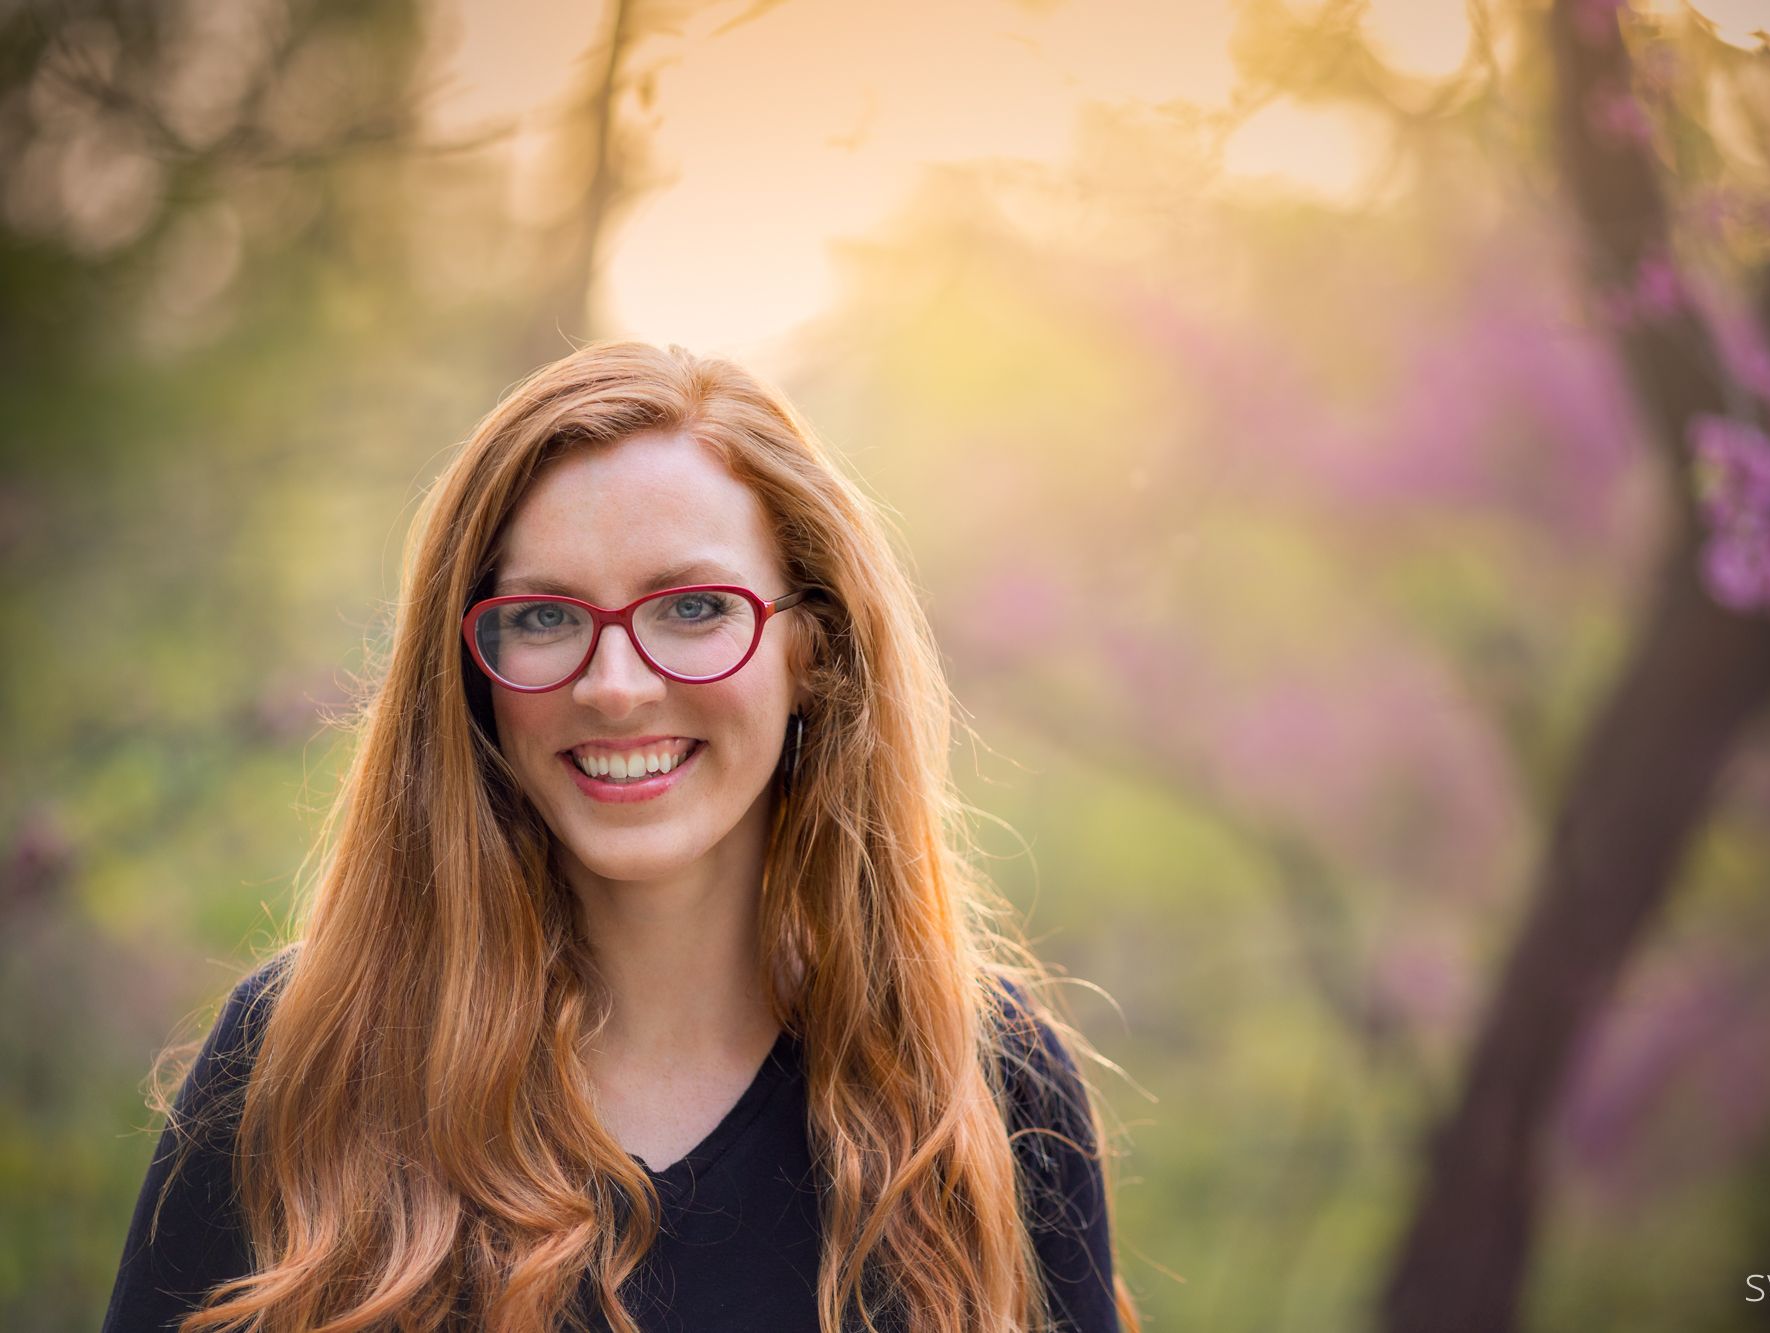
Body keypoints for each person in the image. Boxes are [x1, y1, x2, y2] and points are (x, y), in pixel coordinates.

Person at [101, 341, 1138, 1333]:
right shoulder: (305, 1056)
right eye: (545, 617)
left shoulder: (984, 1083)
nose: (615, 685)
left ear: (809, 649)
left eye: (691, 606)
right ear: (473, 671)